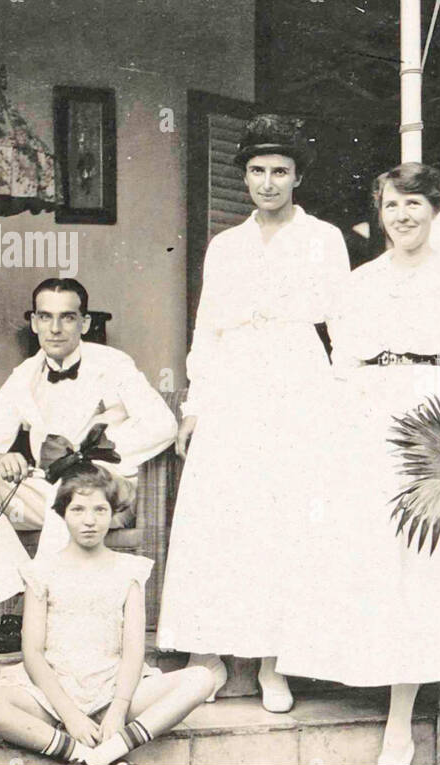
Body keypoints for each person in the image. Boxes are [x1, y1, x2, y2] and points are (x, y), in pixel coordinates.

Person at [276, 163, 440, 765]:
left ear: (435, 210)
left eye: (415, 205)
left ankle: (402, 717)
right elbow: (342, 361)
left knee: (419, 556)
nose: (402, 216)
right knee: (362, 547)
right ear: (380, 212)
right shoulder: (359, 281)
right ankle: (353, 668)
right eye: (393, 205)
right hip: (364, 417)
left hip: (433, 416)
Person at [155, 114, 351, 712]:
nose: (268, 182)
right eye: (258, 171)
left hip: (297, 380)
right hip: (235, 384)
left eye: (281, 172)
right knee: (221, 514)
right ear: (244, 177)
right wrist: (194, 406)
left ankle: (274, 663)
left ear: (297, 178)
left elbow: (343, 325)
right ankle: (209, 656)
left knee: (285, 519)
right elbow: (208, 328)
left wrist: (344, 399)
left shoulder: (324, 238)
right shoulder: (225, 245)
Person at [0, 278, 177, 610]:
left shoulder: (113, 364)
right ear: (34, 322)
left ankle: (43, 610)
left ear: (84, 323)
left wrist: (91, 455)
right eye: (45, 317)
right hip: (50, 489)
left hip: (111, 491)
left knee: (68, 486)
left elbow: (163, 425)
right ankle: (19, 599)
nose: (55, 328)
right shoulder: (25, 374)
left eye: (67, 317)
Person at [0, 465, 217, 765]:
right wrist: (70, 715)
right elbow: (32, 653)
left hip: (114, 689)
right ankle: (79, 753)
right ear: (62, 514)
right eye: (78, 509)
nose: (89, 520)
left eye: (100, 510)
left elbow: (133, 651)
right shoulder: (41, 571)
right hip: (54, 694)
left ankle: (112, 748)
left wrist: (119, 709)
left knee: (202, 678)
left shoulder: (129, 570)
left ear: (112, 514)